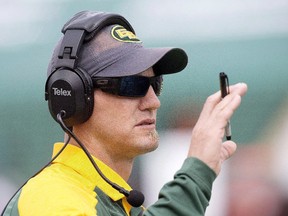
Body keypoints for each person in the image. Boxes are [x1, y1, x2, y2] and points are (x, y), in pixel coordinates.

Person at [1, 11, 247, 216]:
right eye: (132, 84)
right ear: (75, 95)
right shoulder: (51, 200)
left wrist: (201, 167)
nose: (153, 101)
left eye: (155, 84)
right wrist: (196, 172)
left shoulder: (111, 199)